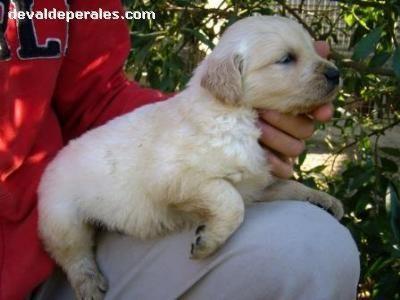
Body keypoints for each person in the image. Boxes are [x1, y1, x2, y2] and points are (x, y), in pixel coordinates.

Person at [0, 0, 360, 299]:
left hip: (43, 253)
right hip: (54, 227)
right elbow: (182, 180)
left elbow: (94, 96)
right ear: (229, 78)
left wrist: (257, 132)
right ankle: (80, 271)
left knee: (313, 245)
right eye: (288, 60)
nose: (326, 71)